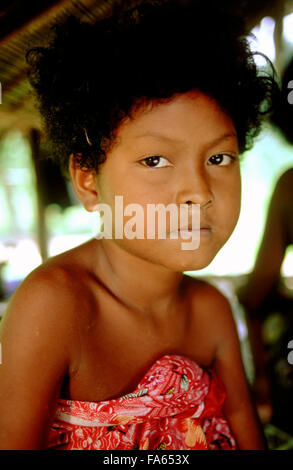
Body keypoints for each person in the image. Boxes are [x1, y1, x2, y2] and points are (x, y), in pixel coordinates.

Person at [0, 0, 278, 450]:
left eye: (218, 158)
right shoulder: (55, 308)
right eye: (155, 160)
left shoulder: (211, 312)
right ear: (88, 181)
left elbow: (249, 435)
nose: (199, 192)